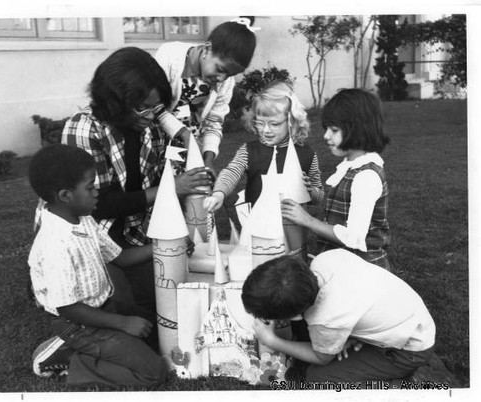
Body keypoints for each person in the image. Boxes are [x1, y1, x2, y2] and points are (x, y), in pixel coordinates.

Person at [55, 47, 213, 313]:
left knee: (175, 294)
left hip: (132, 236)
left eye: (157, 107)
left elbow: (175, 165)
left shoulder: (152, 130)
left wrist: (186, 139)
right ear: (115, 100)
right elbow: (99, 206)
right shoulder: (84, 128)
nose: (152, 116)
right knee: (128, 309)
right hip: (89, 237)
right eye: (143, 108)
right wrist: (171, 189)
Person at [28, 144, 169, 387]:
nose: (97, 193)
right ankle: (73, 360)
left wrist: (163, 249)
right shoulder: (55, 243)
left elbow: (120, 258)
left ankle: (100, 347)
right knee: (155, 371)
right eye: (91, 187)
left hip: (104, 309)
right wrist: (123, 324)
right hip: (79, 325)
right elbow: (68, 308)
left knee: (158, 330)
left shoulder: (84, 219)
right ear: (65, 195)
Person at [241, 250, 436, 383]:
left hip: (409, 347)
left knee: (317, 379)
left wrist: (271, 340)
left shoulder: (326, 319)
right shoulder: (325, 259)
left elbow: (321, 358)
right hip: (403, 314)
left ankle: (400, 385)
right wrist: (347, 334)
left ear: (295, 317)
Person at [281, 88, 391, 269]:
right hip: (342, 263)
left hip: (362, 270)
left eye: (334, 130)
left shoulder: (366, 176)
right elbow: (342, 207)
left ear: (358, 129)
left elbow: (353, 237)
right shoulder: (351, 166)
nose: (326, 136)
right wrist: (309, 192)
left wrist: (307, 220)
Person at [155, 17, 259, 171]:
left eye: (230, 75)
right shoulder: (169, 56)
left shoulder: (225, 82)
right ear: (207, 49)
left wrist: (208, 158)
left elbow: (214, 122)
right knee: (164, 188)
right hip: (157, 141)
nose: (222, 79)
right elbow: (154, 107)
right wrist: (183, 133)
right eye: (221, 69)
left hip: (190, 148)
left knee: (195, 188)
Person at [204, 81, 324, 212]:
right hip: (258, 224)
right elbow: (231, 172)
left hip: (293, 228)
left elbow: (319, 197)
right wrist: (218, 194)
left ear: (292, 122)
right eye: (260, 123)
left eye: (274, 124)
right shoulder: (249, 151)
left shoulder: (307, 154)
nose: (266, 130)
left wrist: (310, 191)